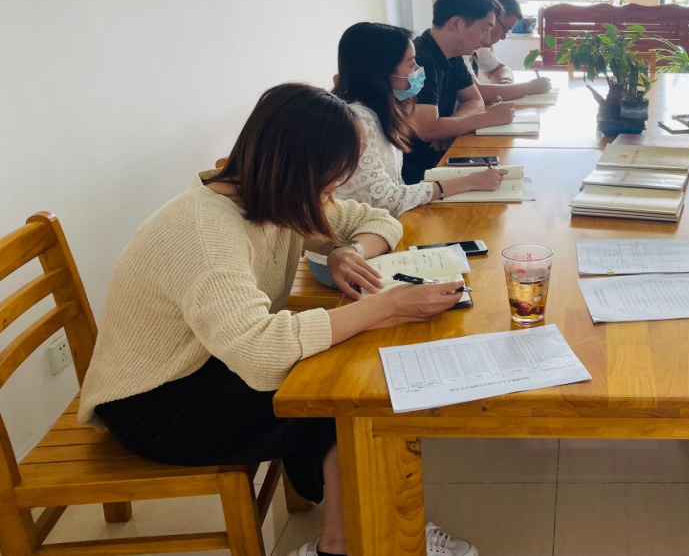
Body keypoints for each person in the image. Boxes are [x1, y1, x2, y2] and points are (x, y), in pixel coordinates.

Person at [78, 83, 477, 556]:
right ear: (295, 169)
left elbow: (379, 219)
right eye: (329, 181)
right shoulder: (207, 233)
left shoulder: (269, 197)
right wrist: (386, 305)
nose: (333, 193)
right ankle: (350, 540)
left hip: (212, 362)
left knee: (347, 377)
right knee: (347, 396)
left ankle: (370, 526)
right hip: (157, 404)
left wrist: (347, 250)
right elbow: (262, 354)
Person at [333, 21, 507, 215]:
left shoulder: (385, 111)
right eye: (411, 64)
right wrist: (467, 182)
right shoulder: (360, 122)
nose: (418, 69)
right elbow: (385, 201)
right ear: (382, 71)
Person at [405, 0, 516, 184]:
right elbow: (428, 129)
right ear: (456, 24)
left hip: (439, 158)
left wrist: (452, 126)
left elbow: (475, 100)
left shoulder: (453, 55)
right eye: (484, 29)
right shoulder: (421, 60)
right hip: (416, 173)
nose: (487, 39)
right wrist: (488, 118)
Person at [464, 0, 551, 102]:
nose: (503, 37)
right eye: (504, 29)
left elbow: (500, 68)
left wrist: (505, 81)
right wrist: (531, 87)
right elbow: (477, 93)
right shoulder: (462, 50)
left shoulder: (478, 47)